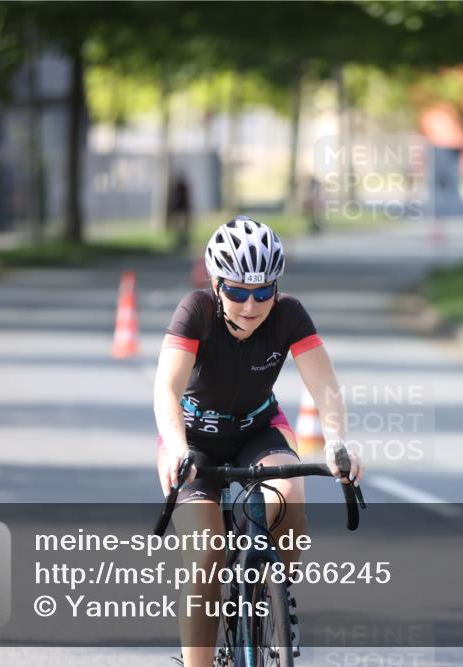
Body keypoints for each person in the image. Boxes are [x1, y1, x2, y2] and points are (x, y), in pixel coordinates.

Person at [153, 215, 362, 666]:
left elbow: (324, 385)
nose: (251, 305)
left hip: (257, 426)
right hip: (194, 439)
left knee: (289, 497)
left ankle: (268, 597)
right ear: (215, 283)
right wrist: (175, 447)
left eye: (263, 291)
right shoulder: (196, 311)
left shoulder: (288, 314)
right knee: (207, 552)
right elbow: (166, 388)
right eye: (237, 291)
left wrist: (336, 441)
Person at [166, 174, 193, 251]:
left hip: (182, 211)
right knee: (179, 229)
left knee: (183, 229)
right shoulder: (177, 190)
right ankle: (180, 242)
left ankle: (184, 242)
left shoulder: (182, 190)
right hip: (180, 211)